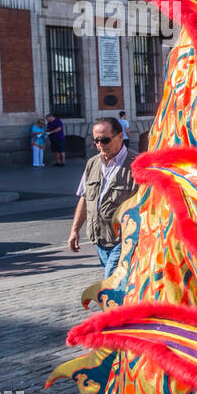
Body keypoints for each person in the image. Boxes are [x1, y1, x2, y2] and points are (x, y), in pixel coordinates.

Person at [67, 118, 138, 276]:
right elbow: (85, 199)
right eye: (96, 140)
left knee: (111, 283)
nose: (100, 145)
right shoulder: (92, 163)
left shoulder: (137, 164)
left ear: (120, 136)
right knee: (121, 288)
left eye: (105, 140)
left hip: (125, 240)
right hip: (100, 239)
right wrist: (74, 230)